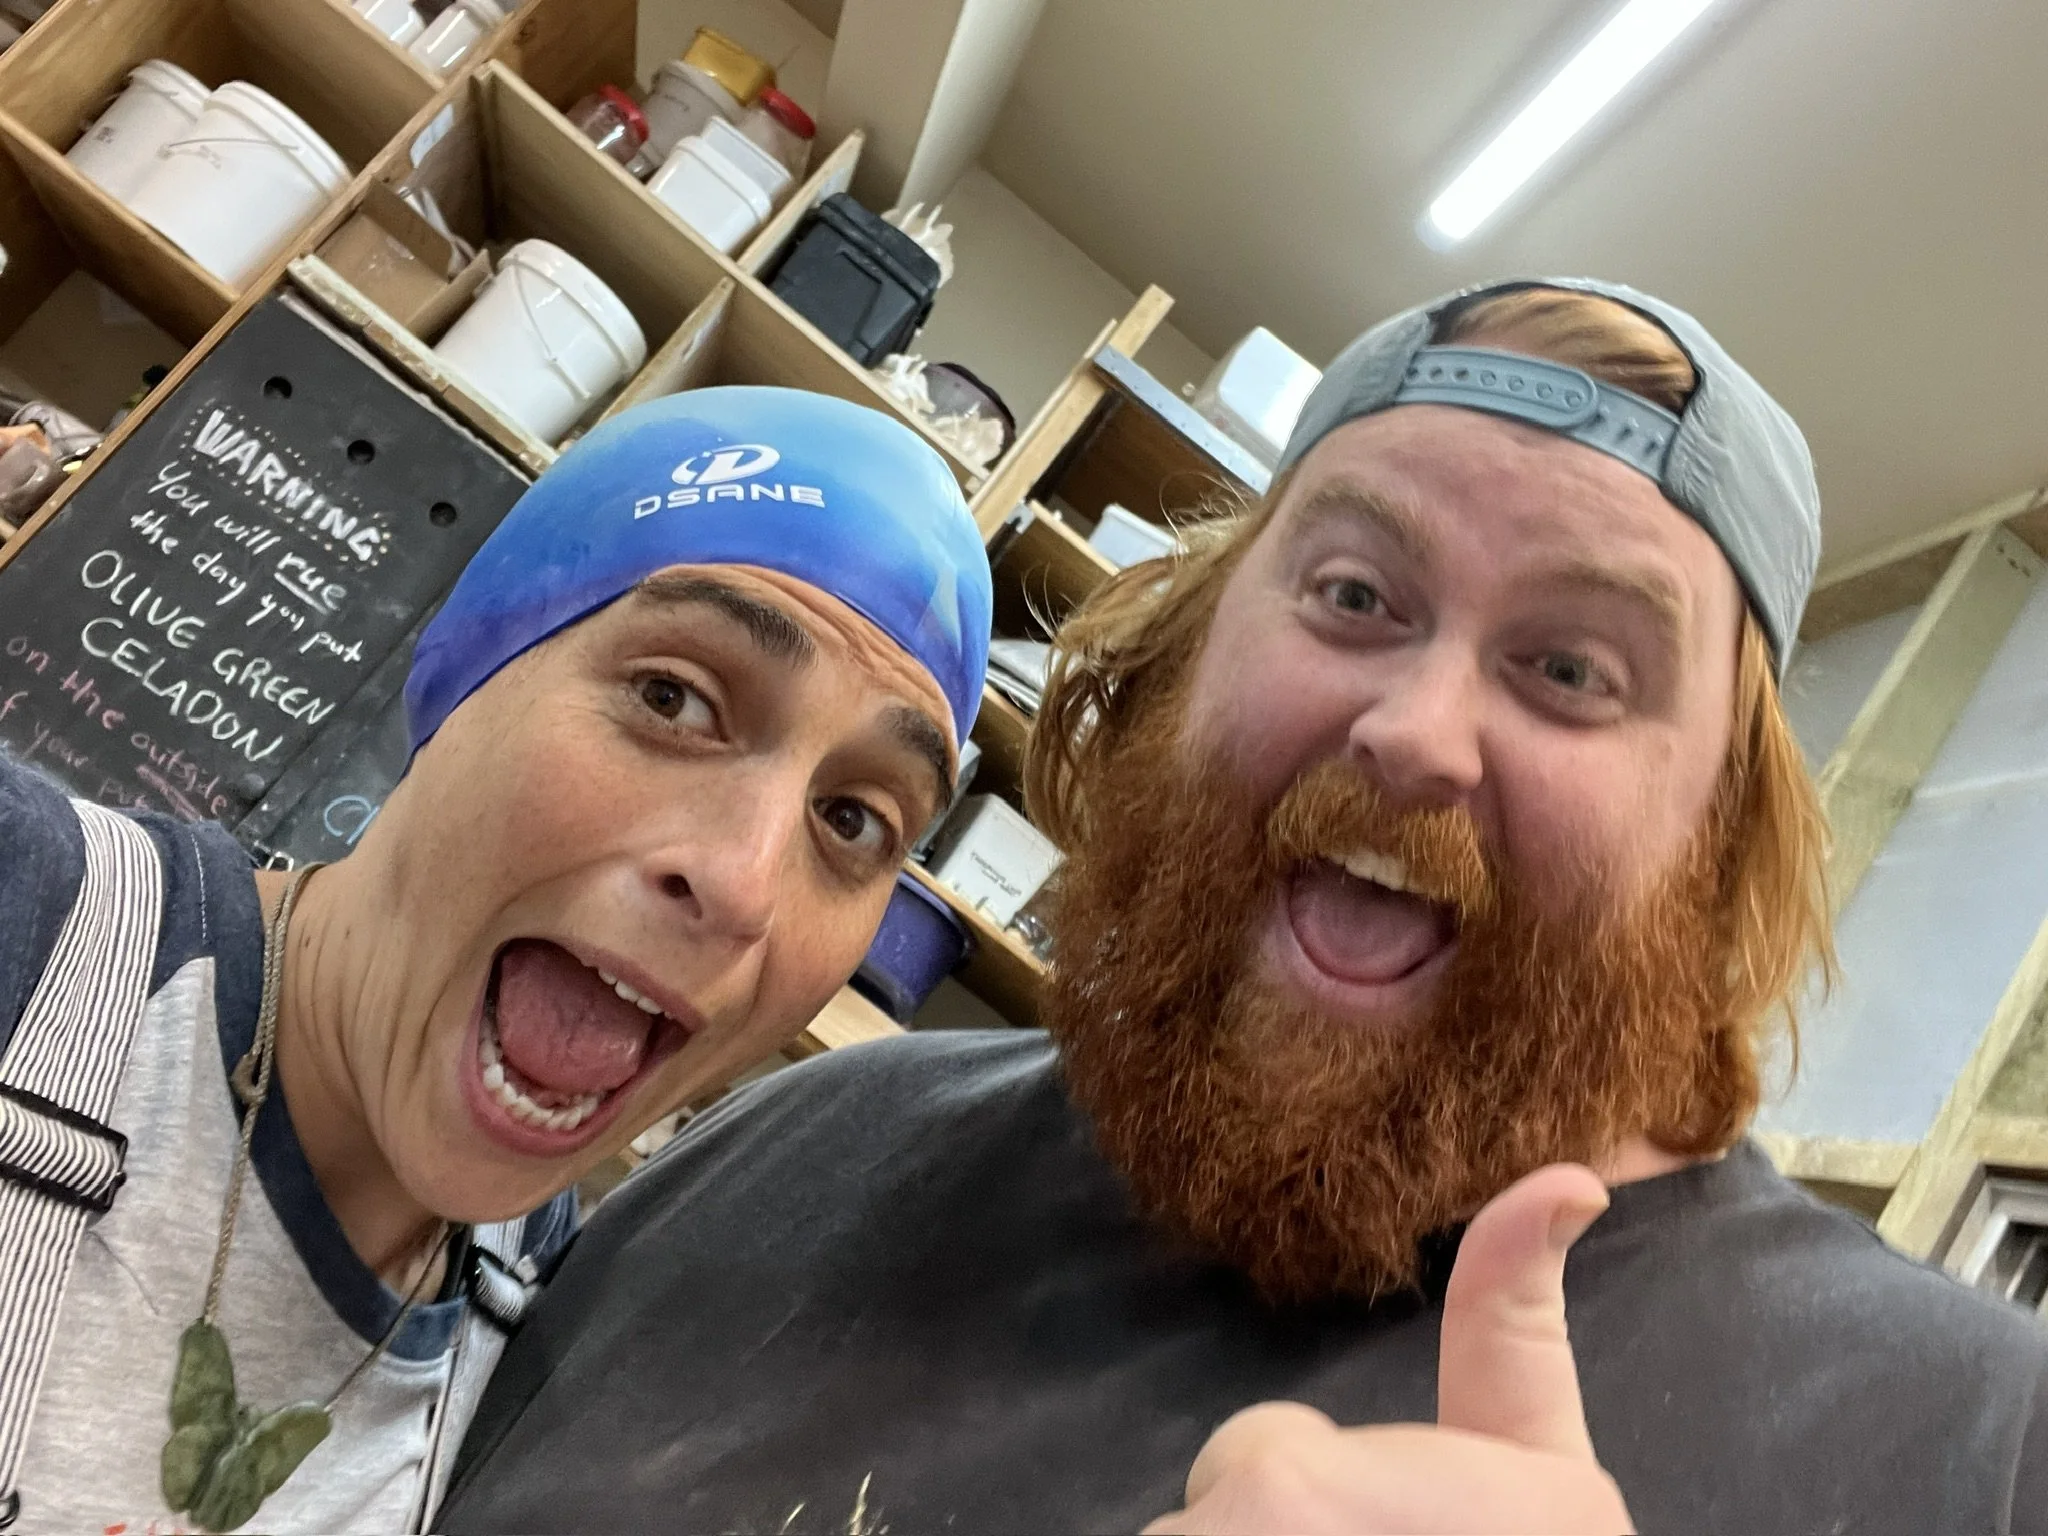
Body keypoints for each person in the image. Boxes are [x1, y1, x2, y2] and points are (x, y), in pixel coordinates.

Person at [439, 279, 2048, 1536]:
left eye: (1573, 668)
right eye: (1354, 594)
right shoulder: (804, 1144)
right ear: (1193, 647)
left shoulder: (1976, 1451)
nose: (1417, 732)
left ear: (1721, 838)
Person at [0, 386, 990, 1534]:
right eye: (673, 697)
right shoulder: (28, 908)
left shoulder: (550, 1336)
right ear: (468, 662)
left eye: (854, 819)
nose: (744, 884)